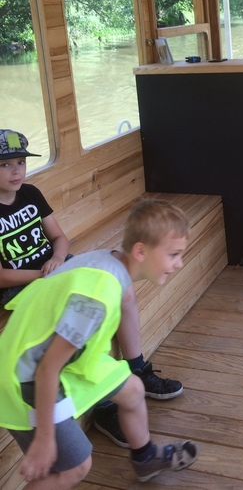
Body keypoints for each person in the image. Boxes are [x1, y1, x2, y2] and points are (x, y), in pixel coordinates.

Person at [0, 129, 183, 448]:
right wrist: (43, 277)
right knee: (78, 321)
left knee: (121, 286)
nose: (16, 171)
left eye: (21, 162)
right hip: (23, 287)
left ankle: (137, 369)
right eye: (5, 164)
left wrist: (58, 259)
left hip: (56, 269)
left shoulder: (30, 193)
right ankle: (103, 405)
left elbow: (59, 238)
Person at [0, 197, 198, 487]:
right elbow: (45, 369)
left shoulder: (111, 260)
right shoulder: (96, 298)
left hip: (66, 361)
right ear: (140, 251)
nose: (179, 264)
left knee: (133, 389)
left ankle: (145, 460)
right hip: (23, 377)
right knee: (75, 468)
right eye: (173, 255)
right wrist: (44, 438)